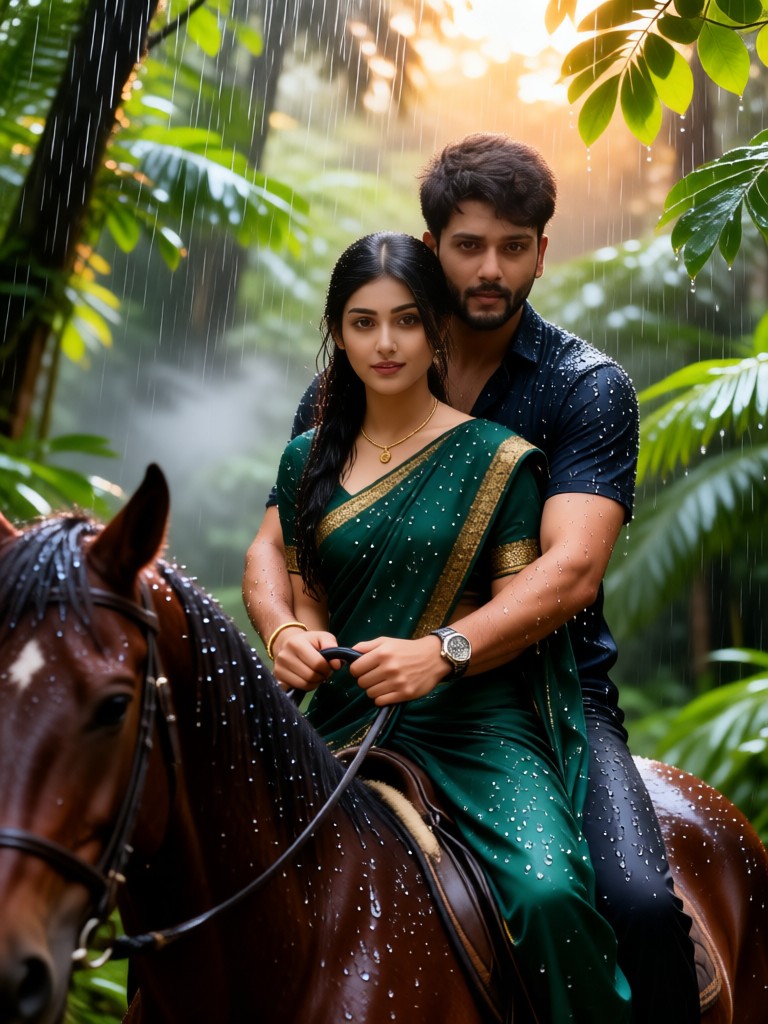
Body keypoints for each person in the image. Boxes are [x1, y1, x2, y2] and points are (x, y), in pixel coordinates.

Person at [243, 134, 699, 1023]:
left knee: (640, 903)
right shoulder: (358, 377)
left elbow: (572, 569)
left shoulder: (583, 387)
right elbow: (275, 542)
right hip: (355, 688)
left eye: (514, 246)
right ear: (432, 246)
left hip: (537, 698)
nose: (491, 269)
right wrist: (283, 628)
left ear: (542, 250)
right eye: (468, 246)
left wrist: (443, 651)